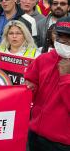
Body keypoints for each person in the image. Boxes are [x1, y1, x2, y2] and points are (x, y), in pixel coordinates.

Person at [25, 17, 70, 151]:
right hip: (34, 134)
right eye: (60, 35)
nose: (64, 41)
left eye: (69, 37)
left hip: (62, 143)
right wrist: (30, 88)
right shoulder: (43, 59)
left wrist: (66, 76)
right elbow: (29, 90)